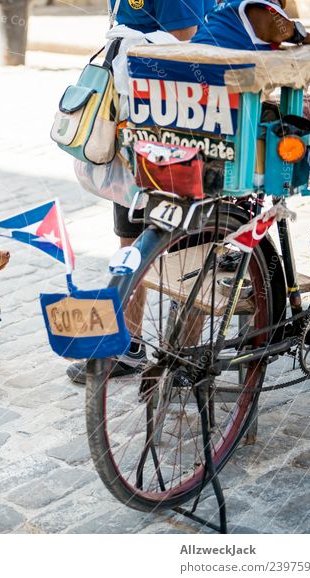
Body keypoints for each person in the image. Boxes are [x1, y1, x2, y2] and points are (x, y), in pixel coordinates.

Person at [67, 0, 216, 384]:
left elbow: (188, 36)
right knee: (130, 238)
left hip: (175, 121)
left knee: (190, 247)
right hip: (133, 120)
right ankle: (128, 346)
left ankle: (184, 355)